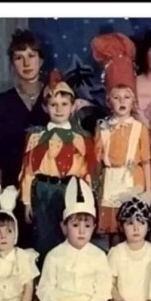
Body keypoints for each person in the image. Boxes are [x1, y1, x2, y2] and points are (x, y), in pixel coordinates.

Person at [19, 70, 94, 264]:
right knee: (44, 237)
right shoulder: (36, 137)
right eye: (53, 105)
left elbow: (86, 172)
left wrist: (87, 200)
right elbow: (28, 171)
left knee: (71, 236)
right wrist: (27, 201)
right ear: (45, 108)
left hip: (69, 190)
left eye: (64, 104)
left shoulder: (81, 139)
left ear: (72, 106)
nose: (59, 109)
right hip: (43, 190)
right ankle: (45, 275)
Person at [0, 29, 49, 248]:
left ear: (41, 60)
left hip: (48, 184)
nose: (26, 63)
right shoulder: (3, 101)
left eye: (31, 55)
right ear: (12, 64)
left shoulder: (55, 98)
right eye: (19, 57)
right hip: (12, 185)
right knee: (17, 245)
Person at [92, 32, 151, 249]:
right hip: (111, 181)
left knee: (132, 229)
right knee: (113, 234)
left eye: (127, 97)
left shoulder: (139, 128)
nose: (122, 102)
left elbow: (146, 162)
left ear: (133, 100)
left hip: (132, 181)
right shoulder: (103, 127)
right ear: (109, 101)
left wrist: (149, 191)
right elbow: (96, 163)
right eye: (116, 98)